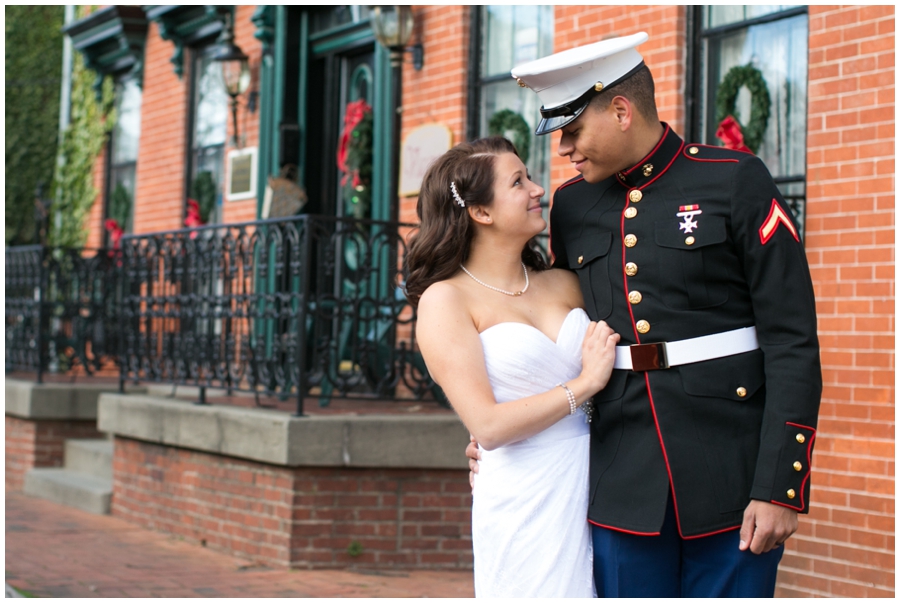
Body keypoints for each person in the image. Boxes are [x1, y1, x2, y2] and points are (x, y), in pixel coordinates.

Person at [466, 32, 822, 597]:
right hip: (619, 482)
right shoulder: (573, 205)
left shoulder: (733, 180)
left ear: (622, 110)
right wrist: (500, 427)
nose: (563, 150)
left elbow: (792, 340)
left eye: (573, 131)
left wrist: (781, 486)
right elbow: (559, 329)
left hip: (730, 475)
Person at [404, 136, 621, 597]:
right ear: (481, 212)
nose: (538, 188)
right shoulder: (446, 300)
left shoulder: (565, 283)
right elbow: (488, 425)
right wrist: (583, 385)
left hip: (600, 479)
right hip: (524, 495)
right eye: (518, 182)